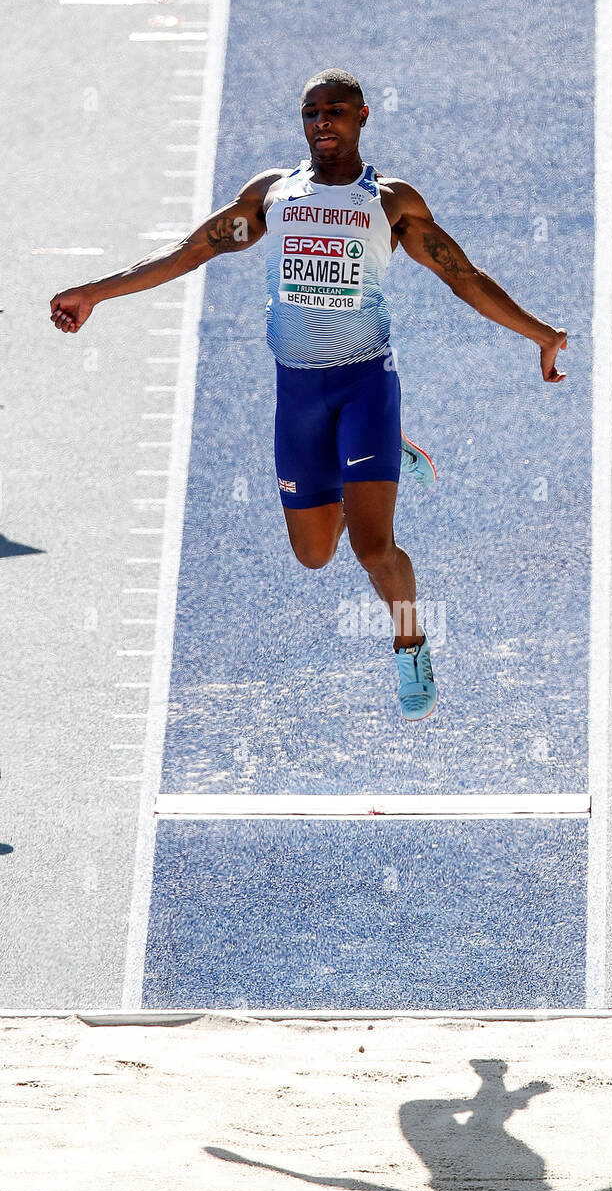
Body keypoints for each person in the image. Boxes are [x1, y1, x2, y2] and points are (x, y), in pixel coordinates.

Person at [50, 68, 567, 721]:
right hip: (297, 396)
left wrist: (539, 335)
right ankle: (385, 457)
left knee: (372, 549)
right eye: (311, 113)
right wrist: (95, 291)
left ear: (362, 116)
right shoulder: (272, 197)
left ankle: (409, 644)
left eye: (335, 111)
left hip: (363, 386)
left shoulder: (390, 203)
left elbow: (463, 277)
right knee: (314, 554)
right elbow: (188, 252)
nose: (322, 122)